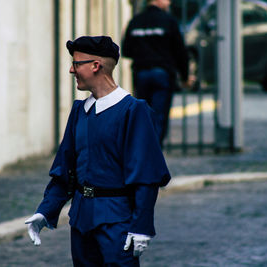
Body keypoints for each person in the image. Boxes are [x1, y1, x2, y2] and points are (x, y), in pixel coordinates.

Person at [25, 35, 171, 266]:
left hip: (118, 222)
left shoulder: (134, 111)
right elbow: (65, 169)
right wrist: (46, 211)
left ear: (96, 66)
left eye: (76, 63)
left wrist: (142, 227)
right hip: (81, 220)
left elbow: (146, 175)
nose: (72, 70)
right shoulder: (79, 110)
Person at [122, 0, 194, 146]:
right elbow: (180, 51)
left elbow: (126, 50)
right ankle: (153, 154)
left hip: (141, 74)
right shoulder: (169, 21)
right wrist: (185, 77)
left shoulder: (136, 21)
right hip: (162, 74)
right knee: (159, 117)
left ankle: (143, 150)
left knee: (143, 116)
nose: (169, 2)